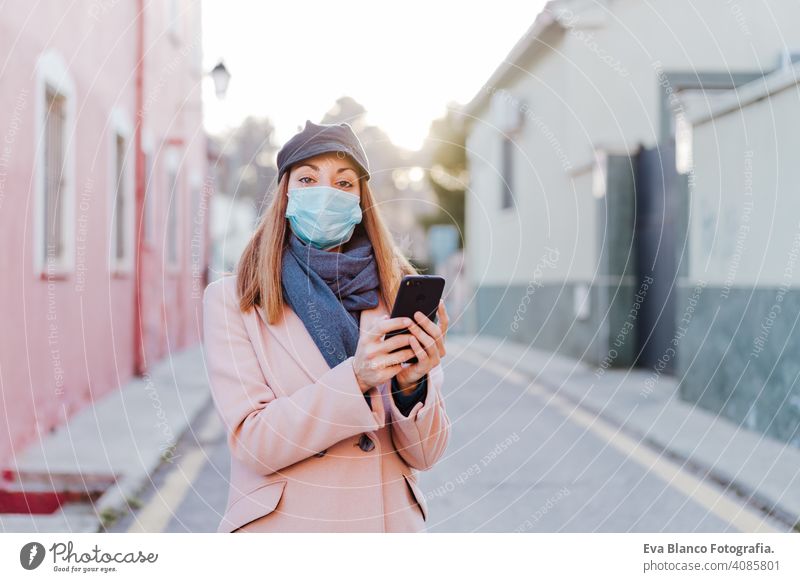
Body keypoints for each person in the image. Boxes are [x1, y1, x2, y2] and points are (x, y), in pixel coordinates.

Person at [202, 120, 451, 532]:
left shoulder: (395, 293)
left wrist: (413, 386)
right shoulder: (234, 300)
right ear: (286, 194)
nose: (325, 194)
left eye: (343, 182)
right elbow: (254, 443)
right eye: (307, 179)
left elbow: (427, 456)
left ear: (360, 200)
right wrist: (355, 378)